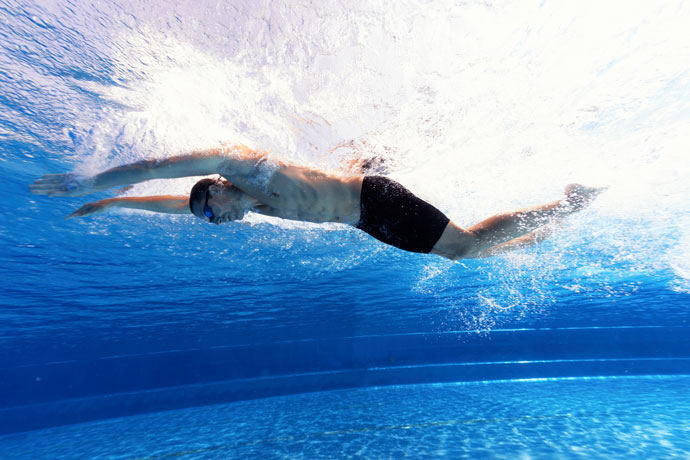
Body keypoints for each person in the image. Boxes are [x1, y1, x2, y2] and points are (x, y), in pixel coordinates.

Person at [30, 144, 605, 260]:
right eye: (208, 221)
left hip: (372, 201)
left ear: (221, 188)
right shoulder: (249, 205)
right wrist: (114, 208)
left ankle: (568, 205)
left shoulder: (245, 170)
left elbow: (164, 169)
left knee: (465, 246)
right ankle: (551, 226)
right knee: (463, 253)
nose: (215, 222)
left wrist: (93, 183)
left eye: (210, 212)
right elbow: (168, 201)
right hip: (366, 220)